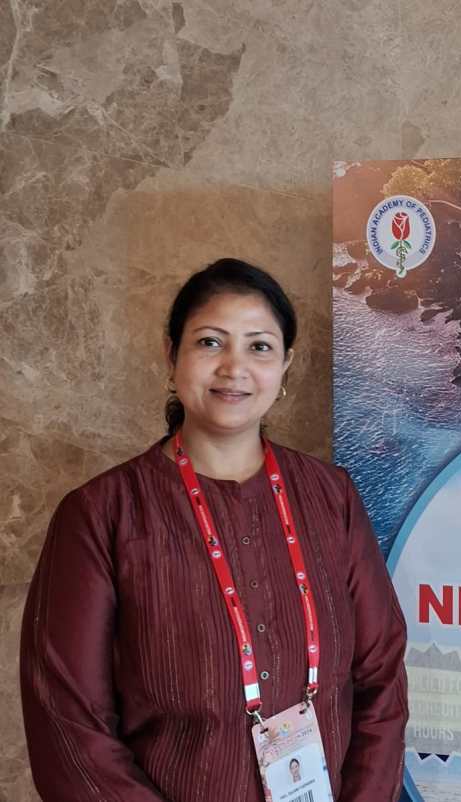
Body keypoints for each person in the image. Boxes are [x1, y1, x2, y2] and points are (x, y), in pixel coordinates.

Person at [20, 259, 409, 801]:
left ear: (285, 365)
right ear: (171, 355)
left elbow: (381, 679)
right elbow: (69, 724)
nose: (234, 368)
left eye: (259, 347)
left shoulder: (332, 497)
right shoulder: (100, 515)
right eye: (209, 342)